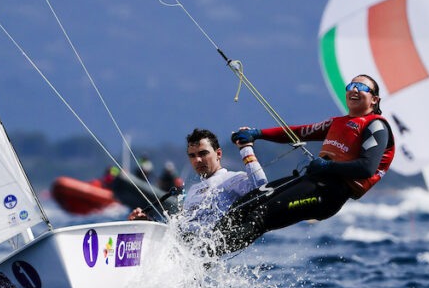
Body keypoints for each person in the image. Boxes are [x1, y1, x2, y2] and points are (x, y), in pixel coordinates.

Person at [214, 74, 394, 254]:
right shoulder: (339, 122)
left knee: (259, 217)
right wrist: (258, 134)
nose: (354, 89)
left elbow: (366, 168)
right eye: (351, 86)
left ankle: (206, 254)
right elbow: (298, 133)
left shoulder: (376, 126)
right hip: (310, 180)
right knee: (244, 205)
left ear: (374, 100)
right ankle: (200, 246)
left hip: (329, 192)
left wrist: (326, 166)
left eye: (362, 88)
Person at [128, 128, 267, 229]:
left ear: (218, 154)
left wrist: (245, 148)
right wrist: (147, 223)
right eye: (192, 155)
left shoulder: (233, 178)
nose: (198, 160)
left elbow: (262, 188)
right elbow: (178, 229)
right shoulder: (193, 190)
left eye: (203, 153)